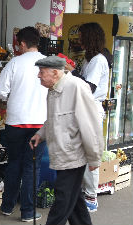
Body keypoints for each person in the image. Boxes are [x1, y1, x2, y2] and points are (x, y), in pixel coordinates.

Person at [30, 55, 104, 225]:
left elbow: (90, 125)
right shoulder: (53, 89)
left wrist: (94, 157)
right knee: (74, 201)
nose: (38, 76)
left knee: (62, 202)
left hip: (73, 156)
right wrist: (40, 134)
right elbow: (54, 119)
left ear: (55, 73)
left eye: (41, 72)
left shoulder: (76, 87)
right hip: (62, 154)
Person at [0, 26, 48, 222]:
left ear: (23, 43)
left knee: (14, 163)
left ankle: (7, 206)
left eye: (19, 44)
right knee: (32, 168)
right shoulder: (47, 63)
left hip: (15, 123)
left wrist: (11, 95)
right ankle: (28, 212)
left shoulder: (14, 63)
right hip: (39, 125)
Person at [65, 22, 112, 212]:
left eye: (82, 36)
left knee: (89, 155)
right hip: (84, 111)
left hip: (91, 113)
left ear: (90, 37)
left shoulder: (98, 60)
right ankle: (84, 192)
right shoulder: (90, 59)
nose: (79, 40)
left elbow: (89, 88)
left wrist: (71, 71)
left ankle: (91, 197)